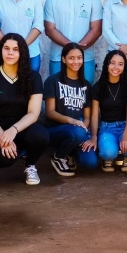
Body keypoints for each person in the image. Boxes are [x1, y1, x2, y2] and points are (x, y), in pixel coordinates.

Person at [0, 33, 49, 185]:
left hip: (21, 127)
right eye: (6, 48)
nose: (10, 53)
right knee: (6, 158)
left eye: (15, 49)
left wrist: (13, 130)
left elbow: (33, 113)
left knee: (41, 136)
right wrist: (4, 137)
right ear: (0, 51)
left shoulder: (33, 77)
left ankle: (30, 165)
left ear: (22, 53)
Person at [44, 0, 103, 84]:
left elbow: (96, 29)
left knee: (85, 96)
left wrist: (76, 50)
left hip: (85, 59)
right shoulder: (52, 0)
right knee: (57, 96)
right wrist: (72, 47)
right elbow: (49, 29)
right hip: (58, 58)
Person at [43, 43, 98, 176]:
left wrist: (83, 130)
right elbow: (50, 112)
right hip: (55, 130)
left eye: (79, 58)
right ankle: (58, 156)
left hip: (77, 131)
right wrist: (72, 121)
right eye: (71, 58)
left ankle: (69, 153)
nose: (76, 61)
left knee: (91, 163)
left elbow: (86, 117)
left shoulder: (86, 85)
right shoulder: (52, 81)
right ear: (63, 59)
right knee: (77, 133)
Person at [84, 50, 127, 172]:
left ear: (124, 67)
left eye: (120, 64)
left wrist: (126, 134)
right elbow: (94, 116)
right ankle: (108, 157)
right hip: (106, 127)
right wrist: (94, 136)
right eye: (113, 63)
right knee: (108, 153)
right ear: (107, 65)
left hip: (125, 125)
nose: (116, 67)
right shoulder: (98, 87)